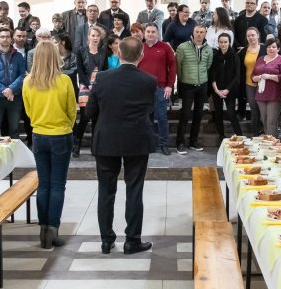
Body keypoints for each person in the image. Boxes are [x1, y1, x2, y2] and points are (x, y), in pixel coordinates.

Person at [85, 36, 158, 255]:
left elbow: (89, 112)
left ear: (118, 53)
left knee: (106, 191)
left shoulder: (103, 78)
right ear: (142, 56)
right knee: (134, 190)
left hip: (107, 139)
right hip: (137, 139)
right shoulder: (149, 80)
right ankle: (132, 240)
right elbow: (150, 110)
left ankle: (107, 240)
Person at [22, 41, 77, 249]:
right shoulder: (64, 80)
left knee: (43, 184)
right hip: (61, 135)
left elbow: (27, 111)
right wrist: (64, 126)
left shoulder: (28, 81)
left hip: (39, 135)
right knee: (57, 185)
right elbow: (72, 110)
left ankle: (43, 230)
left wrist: (40, 122)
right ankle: (53, 229)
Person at [175, 24, 214, 154]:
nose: (199, 34)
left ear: (205, 34)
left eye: (202, 32)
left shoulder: (209, 49)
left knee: (198, 114)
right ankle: (180, 143)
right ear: (193, 32)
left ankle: (193, 141)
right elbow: (178, 67)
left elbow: (207, 66)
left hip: (202, 85)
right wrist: (183, 79)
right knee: (185, 114)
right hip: (187, 85)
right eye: (197, 31)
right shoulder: (182, 47)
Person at [138, 23, 176, 154]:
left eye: (153, 32)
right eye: (148, 31)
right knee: (146, 118)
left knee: (162, 117)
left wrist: (170, 85)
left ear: (157, 33)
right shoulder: (139, 47)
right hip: (143, 89)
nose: (150, 34)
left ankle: (164, 144)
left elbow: (172, 67)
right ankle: (148, 144)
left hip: (161, 88)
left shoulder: (165, 47)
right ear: (144, 33)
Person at [73, 25, 108, 157]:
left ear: (100, 38)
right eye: (93, 35)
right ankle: (76, 146)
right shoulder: (81, 51)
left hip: (99, 87)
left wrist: (98, 86)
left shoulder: (103, 51)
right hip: (85, 87)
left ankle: (95, 147)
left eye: (97, 36)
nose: (95, 38)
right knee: (84, 117)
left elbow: (105, 70)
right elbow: (80, 72)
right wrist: (89, 85)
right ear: (88, 36)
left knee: (97, 119)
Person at [0, 27, 25, 140]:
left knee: (14, 129)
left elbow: (22, 75)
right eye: (2, 36)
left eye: (8, 36)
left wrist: (11, 89)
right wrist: (4, 90)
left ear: (11, 38)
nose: (5, 39)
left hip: (15, 97)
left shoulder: (18, 56)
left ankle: (14, 156)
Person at [209, 32, 243, 140]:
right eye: (221, 42)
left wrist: (227, 90)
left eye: (225, 42)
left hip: (230, 90)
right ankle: (221, 136)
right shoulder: (215, 56)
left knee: (231, 113)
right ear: (218, 43)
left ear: (229, 42)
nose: (223, 44)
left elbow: (237, 76)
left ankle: (240, 136)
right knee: (218, 113)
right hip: (217, 90)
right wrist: (216, 90)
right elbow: (212, 75)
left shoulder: (235, 56)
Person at [252, 38, 281, 136]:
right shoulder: (260, 59)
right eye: (268, 47)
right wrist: (257, 78)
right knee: (263, 120)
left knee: (271, 121)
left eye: (273, 47)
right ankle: (269, 143)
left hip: (275, 95)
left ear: (278, 49)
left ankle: (271, 146)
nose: (271, 49)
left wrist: (270, 77)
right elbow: (253, 75)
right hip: (261, 94)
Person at [239, 27, 266, 135]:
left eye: (253, 35)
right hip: (249, 83)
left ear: (258, 35)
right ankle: (256, 133)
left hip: (264, 83)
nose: (251, 37)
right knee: (254, 108)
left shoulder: (265, 49)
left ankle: (266, 131)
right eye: (248, 36)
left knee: (263, 108)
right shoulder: (243, 51)